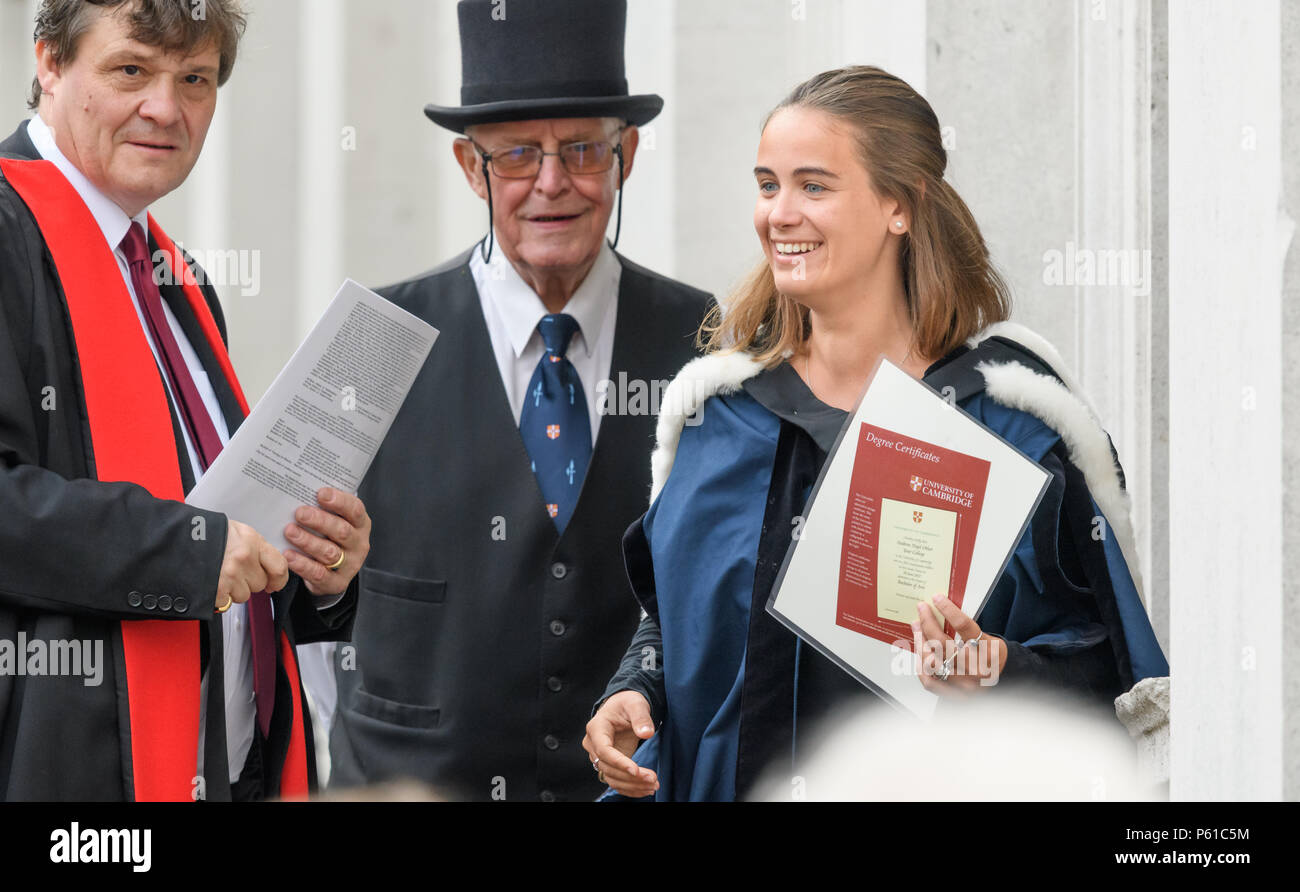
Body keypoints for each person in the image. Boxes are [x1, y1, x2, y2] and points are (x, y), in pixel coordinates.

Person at [583, 65, 1170, 802]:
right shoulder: (719, 418)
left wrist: (994, 668)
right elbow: (677, 622)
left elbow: (1103, 673)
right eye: (768, 185)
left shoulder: (1009, 427)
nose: (780, 214)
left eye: (814, 186)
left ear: (900, 205)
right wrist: (636, 689)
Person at [322, 0, 710, 802]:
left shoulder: (705, 343)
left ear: (626, 156)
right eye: (518, 156)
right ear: (471, 168)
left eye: (581, 150)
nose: (553, 184)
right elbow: (301, 603)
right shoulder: (371, 337)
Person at [0, 0, 370, 801]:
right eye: (131, 69)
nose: (166, 109)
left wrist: (315, 568)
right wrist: (190, 552)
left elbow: (215, 516)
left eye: (195, 79)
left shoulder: (179, 281)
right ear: (49, 64)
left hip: (227, 769)